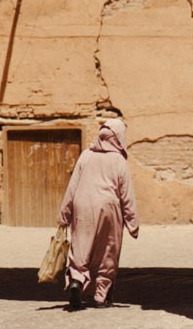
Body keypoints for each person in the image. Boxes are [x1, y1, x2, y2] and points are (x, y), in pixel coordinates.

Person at [58, 118, 139, 309]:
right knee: (108, 250)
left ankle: (77, 280)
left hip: (82, 204)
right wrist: (132, 222)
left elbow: (73, 186)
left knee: (80, 245)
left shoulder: (86, 155)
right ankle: (101, 296)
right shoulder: (118, 160)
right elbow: (126, 193)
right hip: (108, 207)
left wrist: (65, 213)